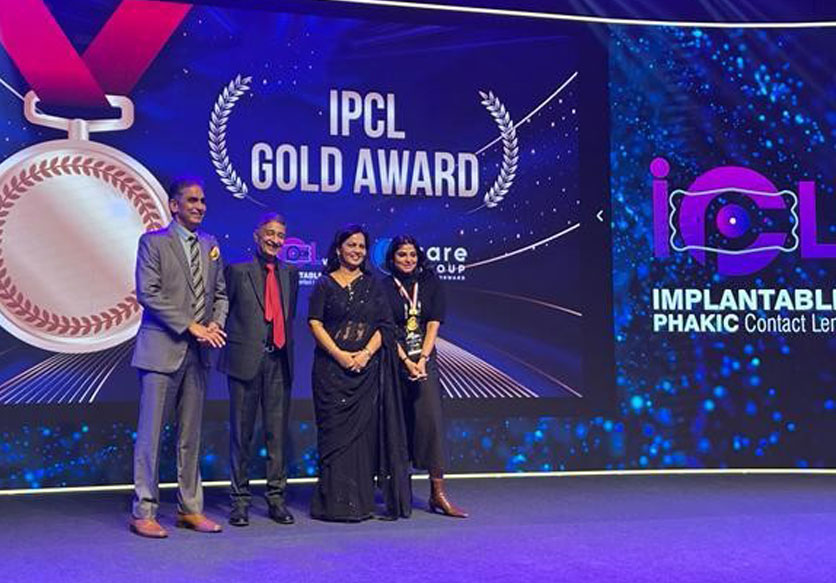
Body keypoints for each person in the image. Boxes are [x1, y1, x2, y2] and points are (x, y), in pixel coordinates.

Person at [130, 177, 228, 538]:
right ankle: (144, 511)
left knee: (191, 436)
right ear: (174, 205)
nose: (200, 206)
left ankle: (190, 509)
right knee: (151, 436)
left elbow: (221, 294)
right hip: (161, 351)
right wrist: (191, 326)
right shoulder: (153, 242)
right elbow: (148, 293)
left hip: (198, 355)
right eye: (192, 200)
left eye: (203, 201)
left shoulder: (210, 244)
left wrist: (215, 324)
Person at [307, 224, 411, 521]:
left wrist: (365, 354)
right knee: (334, 437)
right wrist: (340, 355)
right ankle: (334, 505)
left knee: (362, 439)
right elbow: (315, 323)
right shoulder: (324, 284)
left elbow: (385, 326)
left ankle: (361, 504)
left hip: (365, 372)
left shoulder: (373, 285)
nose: (357, 251)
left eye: (362, 246)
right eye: (351, 245)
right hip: (330, 372)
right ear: (339, 249)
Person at [219, 212, 299, 527]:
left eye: (280, 235)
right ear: (257, 235)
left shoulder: (290, 273)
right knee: (242, 435)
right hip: (244, 362)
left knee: (276, 436)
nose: (275, 240)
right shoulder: (238, 270)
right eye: (270, 233)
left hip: (278, 361)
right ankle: (239, 501)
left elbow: (288, 317)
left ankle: (276, 499)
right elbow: (225, 311)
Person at [382, 235, 467, 518]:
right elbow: (385, 328)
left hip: (424, 361)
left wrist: (422, 359)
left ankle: (437, 493)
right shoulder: (383, 287)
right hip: (394, 361)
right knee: (398, 425)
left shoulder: (431, 283)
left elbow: (433, 324)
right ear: (392, 258)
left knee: (431, 423)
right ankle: (399, 492)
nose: (408, 259)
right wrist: (405, 360)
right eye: (402, 254)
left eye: (412, 254)